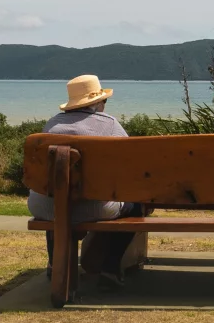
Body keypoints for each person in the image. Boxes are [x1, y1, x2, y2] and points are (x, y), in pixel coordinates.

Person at [27, 75, 140, 290]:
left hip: (44, 206)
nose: (105, 106)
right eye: (104, 102)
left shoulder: (52, 124)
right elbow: (132, 164)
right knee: (136, 206)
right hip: (95, 208)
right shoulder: (109, 125)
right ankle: (109, 266)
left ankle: (55, 263)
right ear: (97, 103)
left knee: (58, 198)